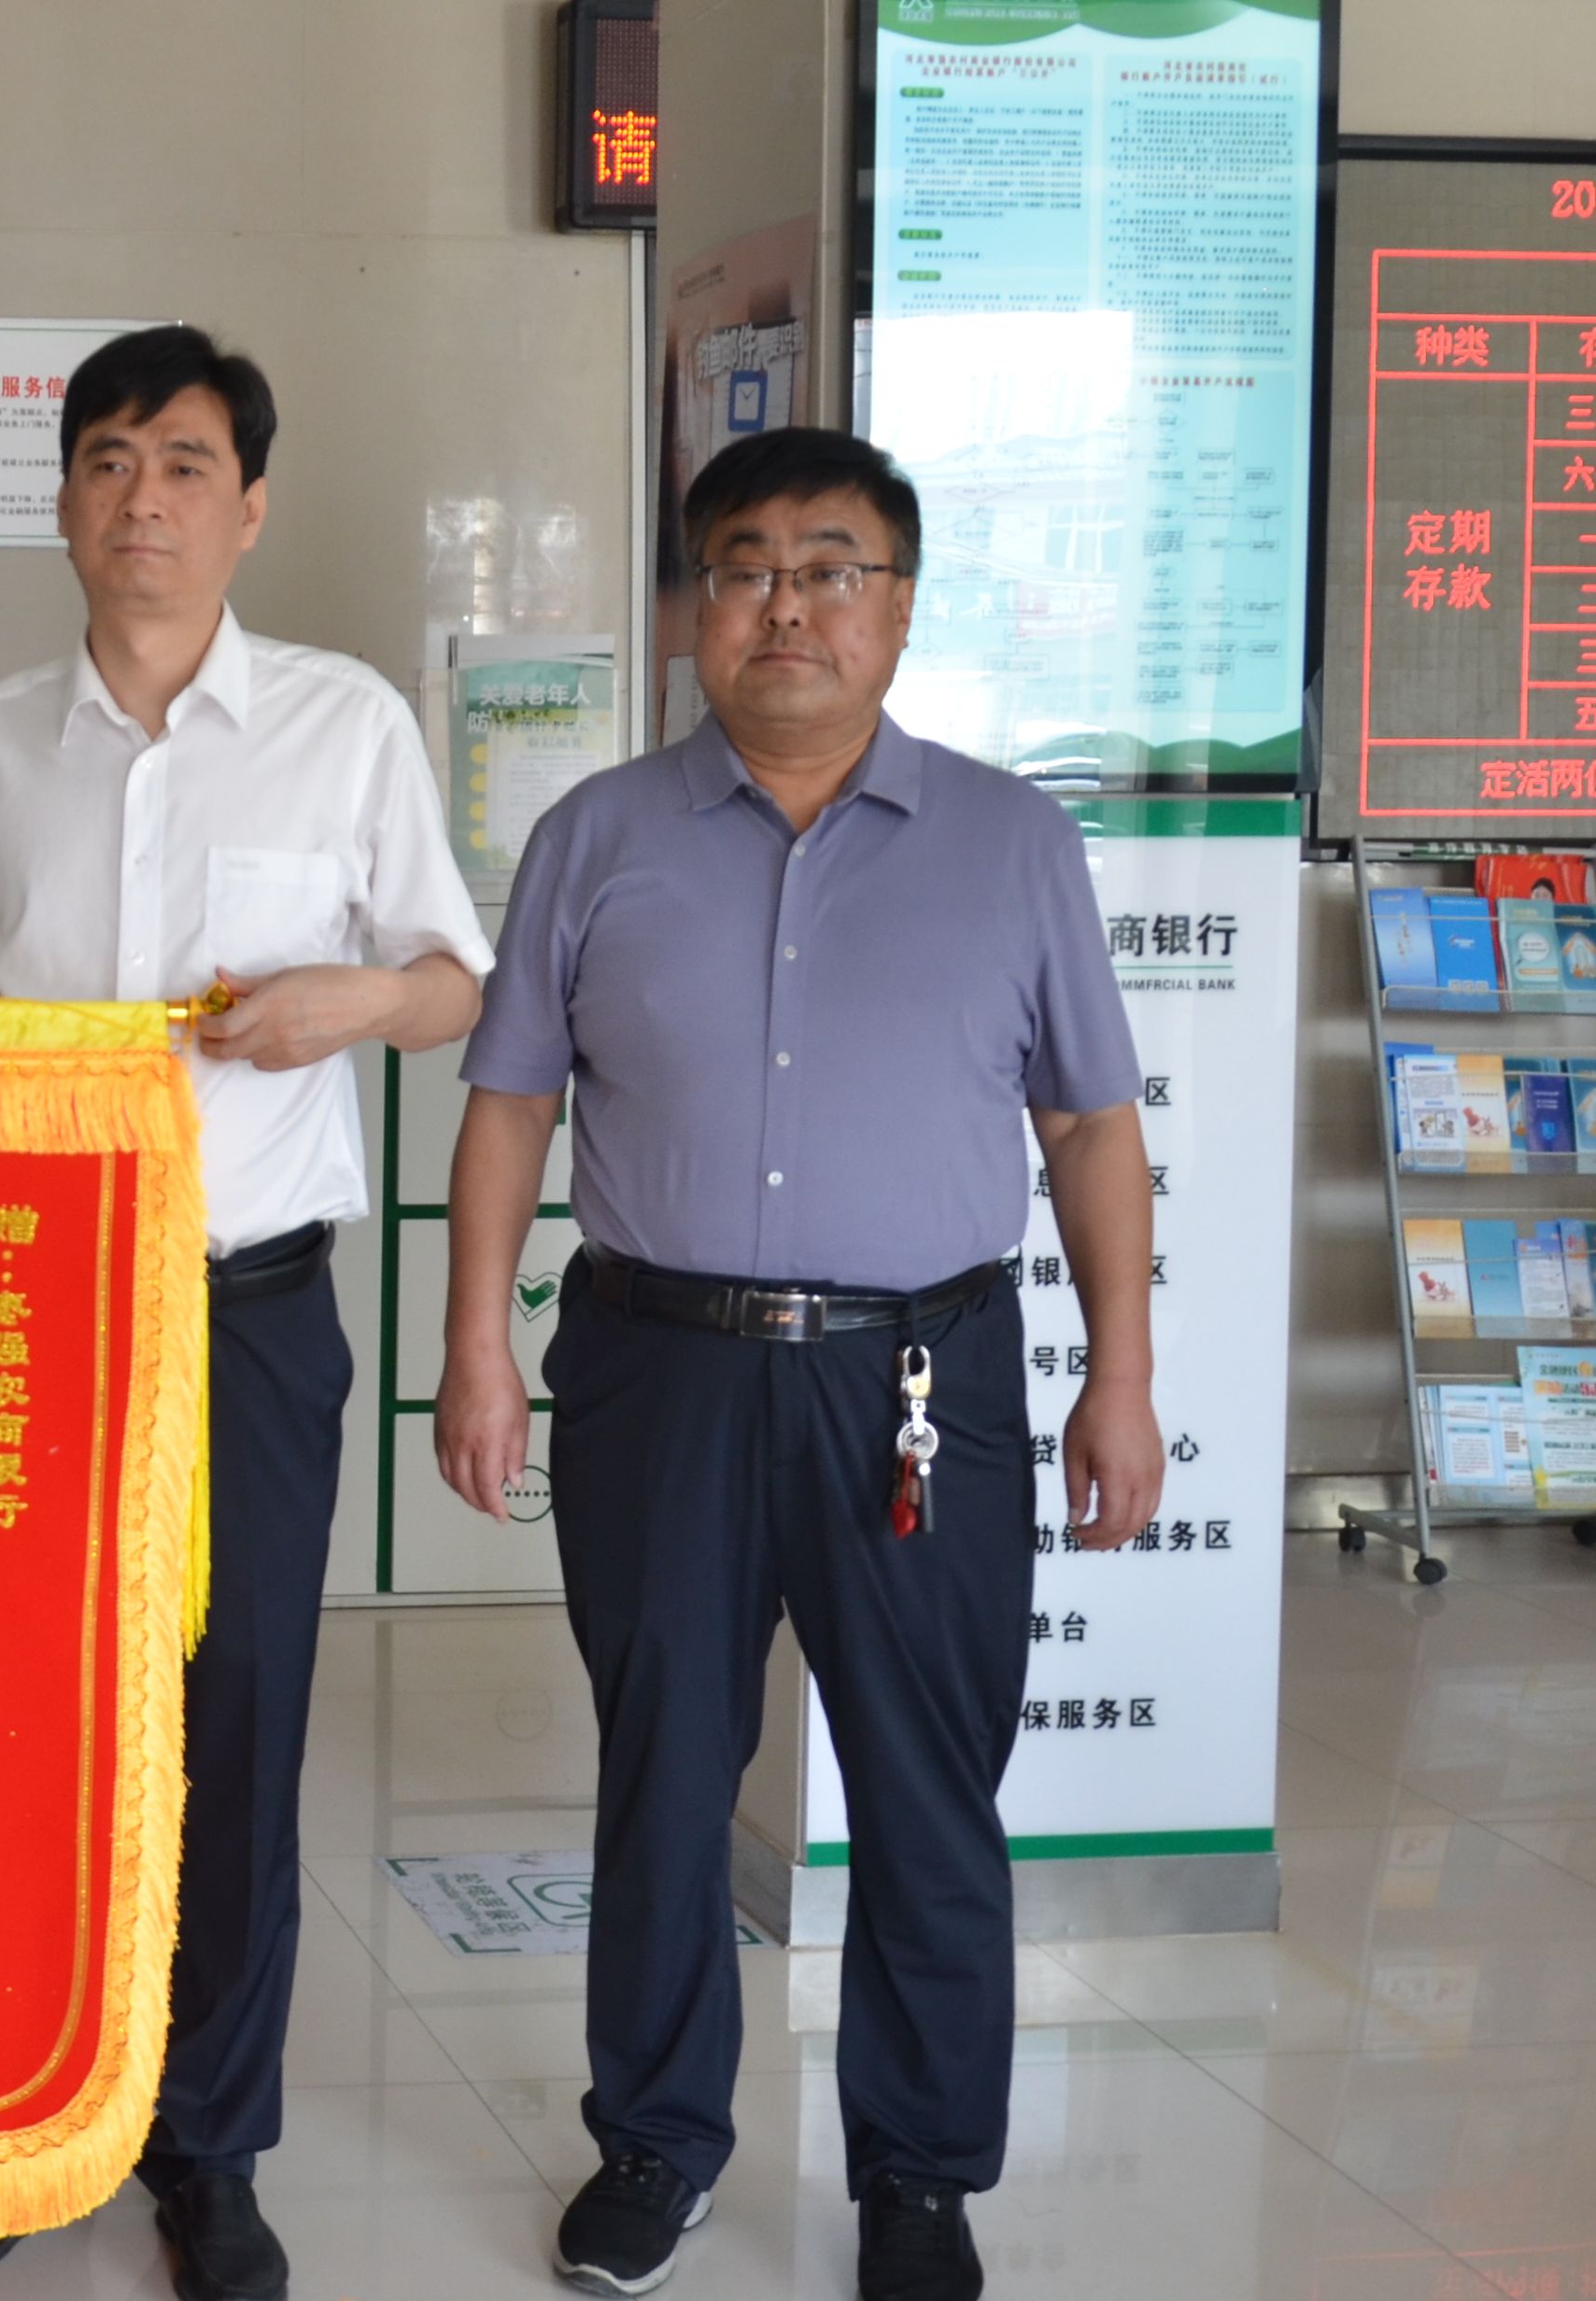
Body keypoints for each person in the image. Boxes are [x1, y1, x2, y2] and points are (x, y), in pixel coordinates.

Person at [437, 427, 1157, 2301]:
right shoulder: (597, 836)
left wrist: (1122, 1375)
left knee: (927, 1785)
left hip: (920, 1380)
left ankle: (917, 2173)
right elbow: (510, 1102)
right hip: (656, 1372)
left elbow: (1089, 1124)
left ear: (897, 607)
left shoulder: (1013, 843)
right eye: (746, 566)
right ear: (697, 608)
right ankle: (655, 2141)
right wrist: (475, 1348)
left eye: (832, 567)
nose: (787, 604)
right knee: (664, 1768)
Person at [0, 326, 492, 2301]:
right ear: (65, 501)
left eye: (186, 464)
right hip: (26, 1318)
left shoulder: (342, 722)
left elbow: (454, 977)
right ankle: (8, 2122)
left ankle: (206, 2146)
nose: (144, 499)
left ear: (251, 507)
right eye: (110, 461)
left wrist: (348, 1002)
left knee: (235, 1725)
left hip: (248, 1310)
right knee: (16, 1720)